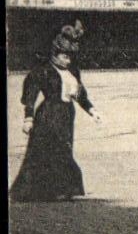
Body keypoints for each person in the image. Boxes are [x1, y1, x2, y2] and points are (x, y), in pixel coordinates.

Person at [12, 30, 99, 201]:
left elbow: (81, 96)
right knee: (46, 152)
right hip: (48, 114)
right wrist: (28, 118)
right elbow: (30, 95)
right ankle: (43, 191)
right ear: (55, 55)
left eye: (70, 57)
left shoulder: (73, 72)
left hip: (67, 114)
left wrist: (92, 111)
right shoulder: (42, 71)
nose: (68, 60)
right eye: (64, 56)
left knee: (64, 150)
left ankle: (63, 189)